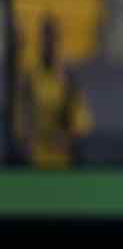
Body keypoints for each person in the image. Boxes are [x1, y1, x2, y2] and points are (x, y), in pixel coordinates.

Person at [15, 14, 94, 168]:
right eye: (45, 38)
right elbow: (22, 119)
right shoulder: (30, 79)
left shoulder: (68, 80)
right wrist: (28, 140)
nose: (48, 43)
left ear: (58, 42)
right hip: (34, 162)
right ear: (39, 41)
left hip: (63, 162)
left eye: (52, 38)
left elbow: (81, 124)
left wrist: (66, 138)